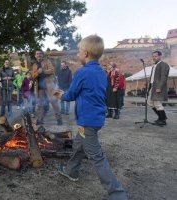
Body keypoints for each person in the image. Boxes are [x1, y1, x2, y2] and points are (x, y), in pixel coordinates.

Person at [54, 35, 128, 200]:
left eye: (79, 51)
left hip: (87, 121)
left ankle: (118, 194)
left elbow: (71, 95)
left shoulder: (82, 72)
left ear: (85, 53)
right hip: (95, 119)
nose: (78, 55)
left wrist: (61, 95)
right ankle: (71, 171)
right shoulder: (102, 72)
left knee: (97, 157)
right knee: (79, 145)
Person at [32, 50, 62, 125]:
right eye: (37, 54)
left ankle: (59, 119)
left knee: (54, 102)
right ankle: (40, 119)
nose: (39, 55)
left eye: (40, 54)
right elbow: (33, 75)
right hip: (39, 87)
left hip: (49, 85)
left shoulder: (47, 61)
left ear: (42, 55)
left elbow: (52, 70)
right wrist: (37, 73)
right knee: (40, 104)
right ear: (35, 55)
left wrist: (43, 71)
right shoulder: (34, 65)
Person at [148, 50, 170, 126]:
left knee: (157, 103)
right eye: (153, 56)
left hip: (158, 87)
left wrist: (159, 87)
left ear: (160, 56)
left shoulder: (164, 65)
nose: (154, 58)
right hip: (152, 86)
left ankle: (163, 120)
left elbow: (164, 77)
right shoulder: (154, 65)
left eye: (156, 56)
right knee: (150, 102)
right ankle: (161, 117)